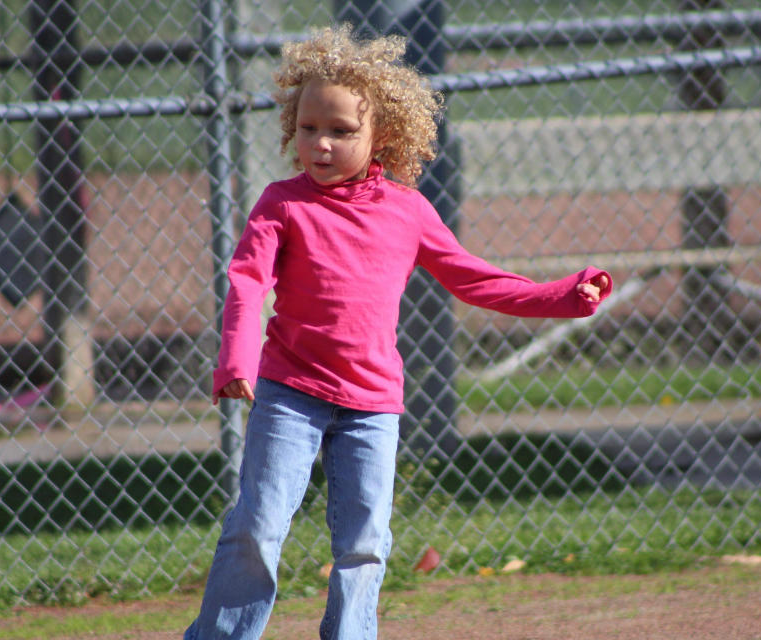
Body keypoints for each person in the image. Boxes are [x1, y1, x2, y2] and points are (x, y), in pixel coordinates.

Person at [184, 23, 612, 640]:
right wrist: (237, 362)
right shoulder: (281, 203)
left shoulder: (408, 210)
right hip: (290, 390)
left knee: (364, 543)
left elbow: (475, 280)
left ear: (381, 134)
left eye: (341, 130)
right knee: (256, 524)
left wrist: (566, 297)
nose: (321, 144)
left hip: (371, 405)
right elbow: (249, 284)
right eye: (308, 129)